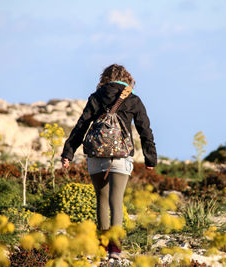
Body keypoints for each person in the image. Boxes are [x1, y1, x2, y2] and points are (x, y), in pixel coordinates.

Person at [61, 64, 157, 259]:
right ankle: (115, 250)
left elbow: (81, 125)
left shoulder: (96, 97)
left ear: (105, 78)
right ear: (127, 78)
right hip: (121, 157)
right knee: (116, 201)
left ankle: (102, 247)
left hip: (96, 155)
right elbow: (145, 130)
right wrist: (150, 158)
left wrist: (68, 153)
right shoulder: (133, 99)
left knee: (102, 201)